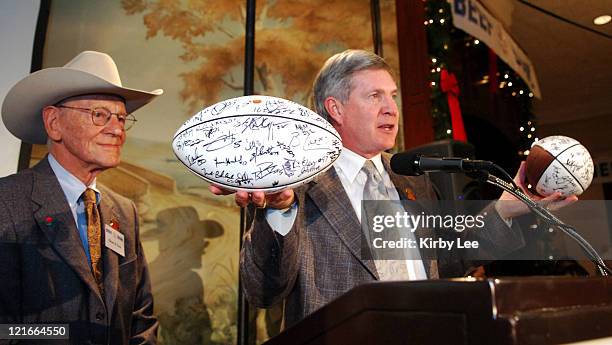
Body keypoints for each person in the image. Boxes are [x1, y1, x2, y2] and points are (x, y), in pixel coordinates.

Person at [210, 49, 576, 328]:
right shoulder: (294, 187)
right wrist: (278, 211)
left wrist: (503, 210)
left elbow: (446, 257)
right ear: (335, 108)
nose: (391, 109)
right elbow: (263, 291)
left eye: (393, 95)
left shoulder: (411, 179)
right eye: (375, 97)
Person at [0, 51, 163, 344]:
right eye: (99, 115)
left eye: (122, 118)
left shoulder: (125, 213)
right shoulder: (6, 202)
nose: (116, 130)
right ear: (54, 123)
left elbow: (141, 319)